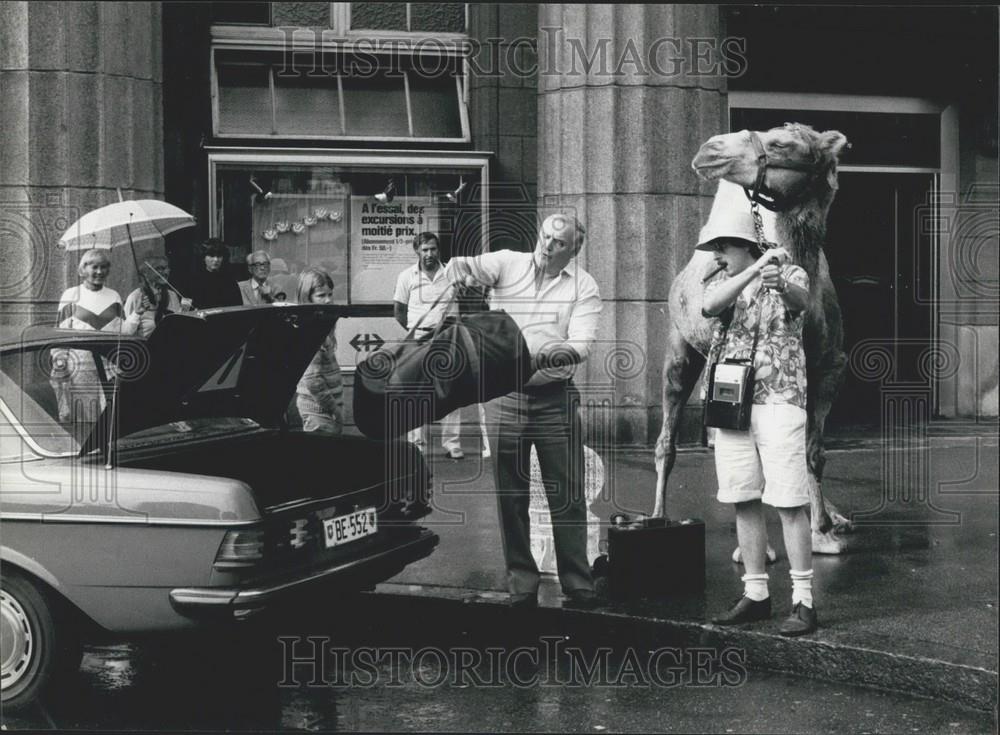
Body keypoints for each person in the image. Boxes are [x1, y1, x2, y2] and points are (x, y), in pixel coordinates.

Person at [447, 213, 602, 609]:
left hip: (554, 398)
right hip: (504, 398)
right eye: (545, 236)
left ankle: (577, 582)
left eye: (559, 242)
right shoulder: (507, 262)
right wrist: (461, 274)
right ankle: (522, 582)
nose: (547, 246)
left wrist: (536, 357)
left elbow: (581, 344)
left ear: (574, 250)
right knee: (510, 496)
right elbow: (460, 265)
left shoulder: (584, 286)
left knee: (567, 494)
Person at [698, 207, 818, 637]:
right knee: (742, 495)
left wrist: (777, 279)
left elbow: (801, 303)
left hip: (780, 398)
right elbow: (709, 306)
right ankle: (756, 593)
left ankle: (803, 600)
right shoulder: (723, 281)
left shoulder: (791, 273)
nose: (717, 256)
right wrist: (752, 271)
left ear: (747, 245)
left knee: (788, 500)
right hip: (732, 401)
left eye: (723, 247)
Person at [393, 232, 464, 459]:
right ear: (417, 251)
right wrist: (417, 331)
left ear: (438, 250)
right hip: (419, 340)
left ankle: (452, 443)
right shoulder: (407, 276)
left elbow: (463, 302)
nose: (429, 254)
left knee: (451, 390)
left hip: (448, 338)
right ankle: (417, 443)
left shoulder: (451, 274)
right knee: (417, 390)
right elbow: (399, 311)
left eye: (433, 249)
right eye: (425, 250)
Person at [51, 248, 140, 422]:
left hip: (111, 366)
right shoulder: (71, 295)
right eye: (94, 267)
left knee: (111, 416)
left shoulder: (114, 296)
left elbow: (124, 332)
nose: (100, 271)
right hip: (81, 368)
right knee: (87, 418)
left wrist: (137, 313)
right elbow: (59, 335)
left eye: (104, 267)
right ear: (83, 269)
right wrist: (60, 362)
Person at [294, 267, 344, 435]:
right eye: (321, 295)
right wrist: (334, 409)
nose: (328, 300)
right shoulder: (310, 331)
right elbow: (312, 379)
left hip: (324, 411)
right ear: (307, 299)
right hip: (318, 412)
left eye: (330, 294)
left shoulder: (321, 326)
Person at [123, 255, 188, 337]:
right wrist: (136, 313)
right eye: (160, 268)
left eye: (167, 268)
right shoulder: (135, 297)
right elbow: (126, 333)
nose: (166, 272)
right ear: (145, 273)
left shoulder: (172, 296)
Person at [189, 238, 241, 309]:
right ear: (203, 257)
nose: (216, 259)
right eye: (211, 255)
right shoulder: (195, 280)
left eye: (219, 256)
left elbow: (237, 306)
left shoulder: (230, 280)